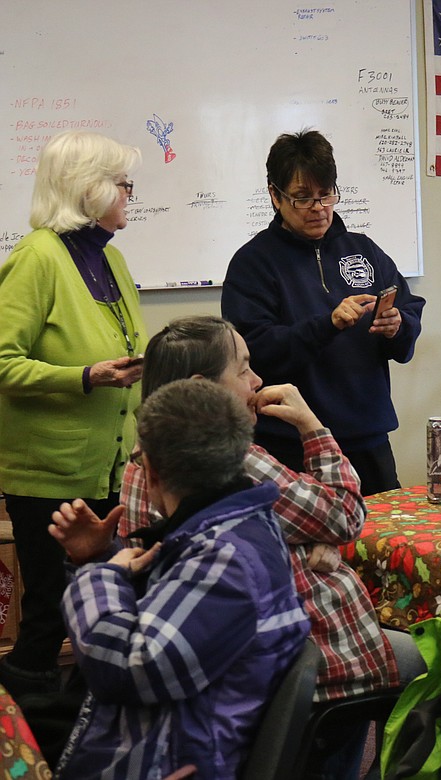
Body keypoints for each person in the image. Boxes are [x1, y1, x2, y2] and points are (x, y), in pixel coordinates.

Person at [83, 316, 417, 779]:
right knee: (433, 671)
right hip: (319, 668)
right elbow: (345, 515)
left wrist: (318, 539)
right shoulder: (236, 463)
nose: (258, 381)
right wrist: (313, 427)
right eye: (243, 369)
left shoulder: (144, 463)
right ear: (206, 388)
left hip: (231, 675)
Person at [50, 378, 311, 778]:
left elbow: (125, 668)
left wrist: (98, 574)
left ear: (151, 472)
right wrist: (100, 556)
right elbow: (168, 617)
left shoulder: (225, 558)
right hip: (165, 734)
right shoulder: (236, 526)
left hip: (164, 759)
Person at [0, 130, 146, 699]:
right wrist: (85, 378)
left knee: (101, 607)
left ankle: (87, 723)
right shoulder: (36, 258)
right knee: (52, 614)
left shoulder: (111, 257)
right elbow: (3, 362)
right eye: (121, 183)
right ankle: (31, 734)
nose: (129, 194)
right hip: (49, 473)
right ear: (89, 190)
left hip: (109, 468)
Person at [222, 129, 424, 495]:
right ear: (274, 195)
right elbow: (256, 350)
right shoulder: (253, 263)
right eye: (302, 198)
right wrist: (327, 325)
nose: (318, 208)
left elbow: (409, 315)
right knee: (310, 550)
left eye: (325, 195)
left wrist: (398, 326)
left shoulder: (364, 250)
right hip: (291, 442)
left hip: (367, 435)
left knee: (384, 540)